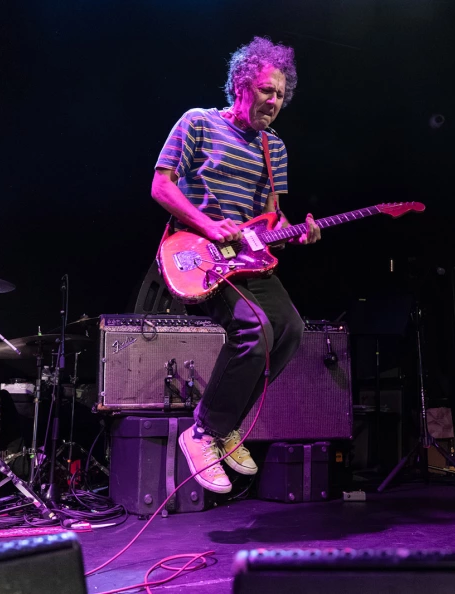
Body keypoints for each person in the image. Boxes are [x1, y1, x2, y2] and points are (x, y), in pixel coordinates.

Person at [151, 37, 321, 493]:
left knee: (290, 330)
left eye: (281, 95)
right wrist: (209, 224)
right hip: (196, 252)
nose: (274, 101)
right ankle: (202, 432)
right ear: (241, 85)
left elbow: (271, 214)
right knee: (254, 329)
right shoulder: (198, 123)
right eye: (267, 90)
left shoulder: (275, 148)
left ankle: (224, 428)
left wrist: (295, 229)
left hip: (246, 258)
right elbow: (161, 187)